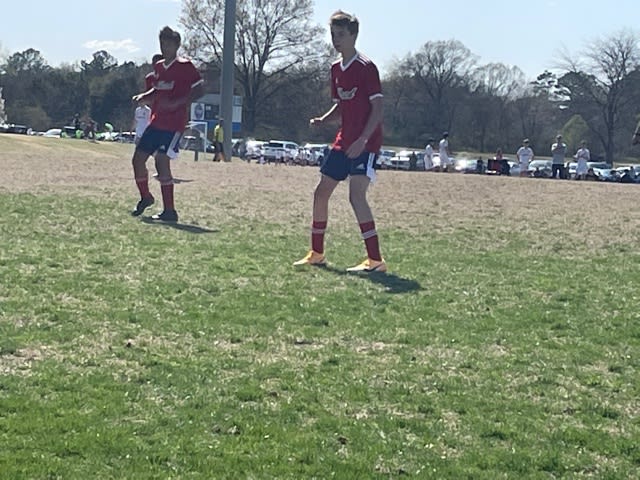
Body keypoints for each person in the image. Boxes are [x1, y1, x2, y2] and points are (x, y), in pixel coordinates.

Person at [294, 10, 386, 273]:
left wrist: (364, 139)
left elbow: (378, 110)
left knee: (356, 196)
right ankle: (317, 253)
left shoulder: (367, 68)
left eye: (341, 35)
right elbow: (341, 107)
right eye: (333, 35)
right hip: (343, 141)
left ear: (354, 35)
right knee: (321, 192)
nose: (336, 40)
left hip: (365, 143)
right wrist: (323, 120)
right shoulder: (336, 68)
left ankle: (376, 260)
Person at [130, 26, 204, 222]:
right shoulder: (160, 67)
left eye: (169, 44)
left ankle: (169, 211)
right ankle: (146, 197)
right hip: (156, 123)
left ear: (177, 46)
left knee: (161, 160)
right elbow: (157, 91)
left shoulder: (185, 66)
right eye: (162, 43)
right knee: (138, 159)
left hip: (174, 124)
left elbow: (200, 89)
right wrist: (143, 97)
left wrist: (179, 103)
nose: (165, 47)